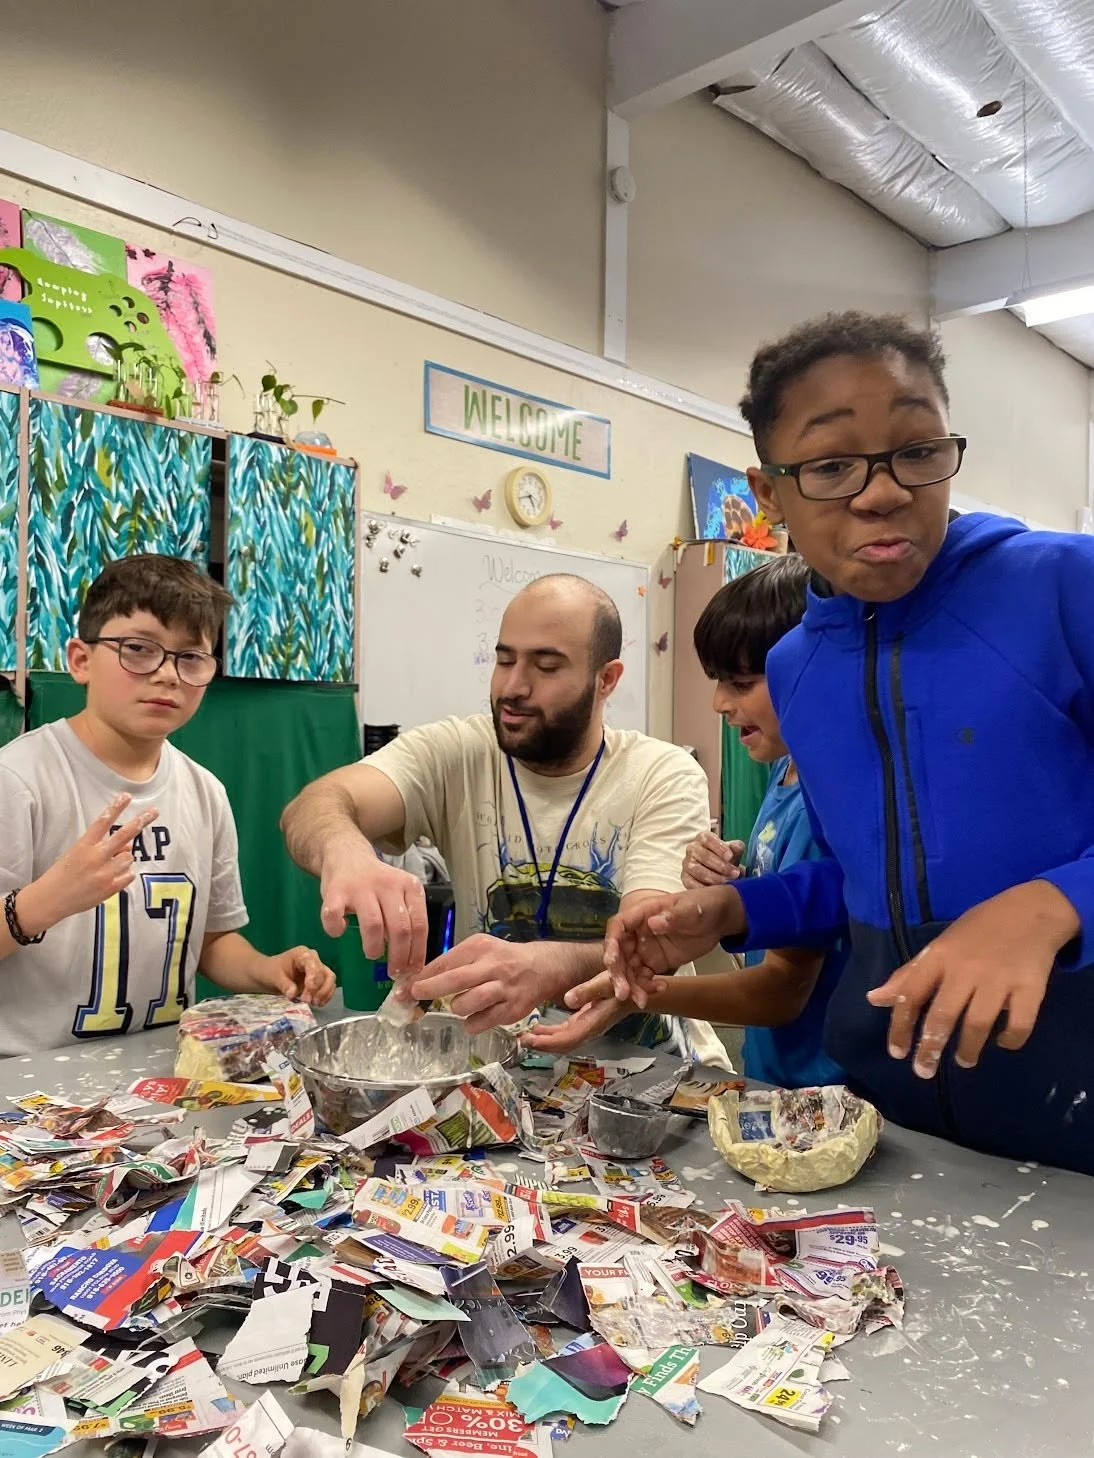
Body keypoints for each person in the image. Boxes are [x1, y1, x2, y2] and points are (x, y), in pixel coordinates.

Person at [602, 310, 1094, 1174]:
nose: (882, 491)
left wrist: (1054, 904)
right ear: (768, 493)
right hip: (903, 1123)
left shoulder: (1061, 587)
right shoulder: (797, 666)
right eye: (831, 466)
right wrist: (740, 910)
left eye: (916, 450)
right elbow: (857, 878)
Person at [281, 574, 724, 1056]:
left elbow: (650, 941)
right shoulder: (458, 749)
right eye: (504, 659)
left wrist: (549, 965)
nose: (513, 687)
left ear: (606, 679)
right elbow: (316, 805)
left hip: (652, 1074)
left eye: (547, 666)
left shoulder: (660, 774)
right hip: (498, 1070)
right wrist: (345, 851)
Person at [526, 556, 846, 1088]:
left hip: (832, 1087)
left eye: (742, 683)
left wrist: (641, 993)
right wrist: (737, 892)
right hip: (776, 1073)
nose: (720, 702)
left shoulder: (831, 803)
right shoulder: (788, 768)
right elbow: (798, 911)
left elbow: (783, 990)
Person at [0, 554, 335, 1056]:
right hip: (30, 1094)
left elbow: (213, 943)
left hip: (160, 1081)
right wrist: (44, 902)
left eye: (191, 657)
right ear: (81, 660)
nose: (166, 674)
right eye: (138, 649)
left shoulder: (205, 792)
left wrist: (267, 970)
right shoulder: (18, 780)